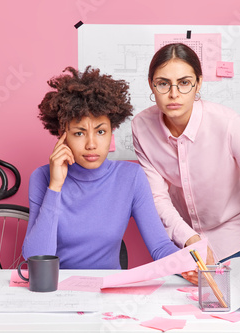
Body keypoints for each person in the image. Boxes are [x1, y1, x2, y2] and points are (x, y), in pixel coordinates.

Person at [131, 43, 240, 264]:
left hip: (232, 231)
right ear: (151, 85)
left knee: (229, 296)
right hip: (182, 231)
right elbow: (157, 197)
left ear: (199, 82)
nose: (173, 94)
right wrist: (189, 237)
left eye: (184, 83)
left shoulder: (229, 124)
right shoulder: (141, 127)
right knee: (187, 297)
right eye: (163, 83)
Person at [22, 66, 183, 270]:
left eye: (100, 131)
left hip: (107, 292)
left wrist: (194, 266)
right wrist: (55, 186)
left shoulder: (130, 177)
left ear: (111, 132)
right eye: (79, 133)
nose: (91, 144)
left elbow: (160, 247)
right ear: (62, 136)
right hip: (57, 291)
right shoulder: (43, 177)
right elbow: (36, 258)